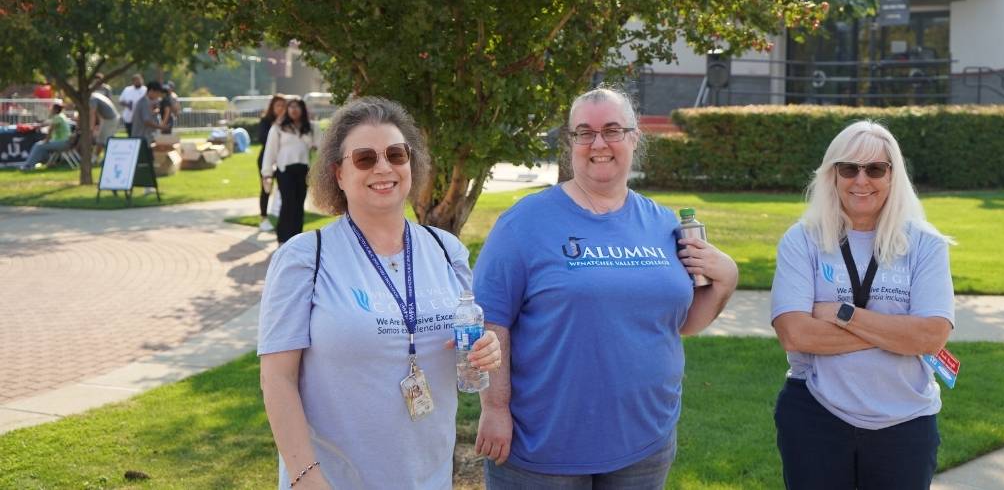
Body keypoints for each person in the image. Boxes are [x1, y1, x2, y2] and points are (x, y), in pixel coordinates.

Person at [472, 87, 739, 489]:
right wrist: (494, 407)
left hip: (645, 443)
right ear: (571, 143)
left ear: (634, 137)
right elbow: (491, 322)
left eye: (612, 130)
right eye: (584, 132)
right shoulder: (523, 223)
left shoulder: (663, 225)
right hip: (543, 447)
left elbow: (679, 324)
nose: (599, 143)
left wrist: (727, 280)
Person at [258, 96, 502, 490]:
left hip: (429, 477)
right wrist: (306, 477)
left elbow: (461, 348)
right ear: (338, 173)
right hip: (334, 481)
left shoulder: (446, 250)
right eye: (365, 158)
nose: (384, 167)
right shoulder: (305, 257)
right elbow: (277, 380)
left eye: (396, 154)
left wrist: (482, 349)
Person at [770, 120, 955, 490]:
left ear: (892, 176)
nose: (861, 180)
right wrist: (898, 333)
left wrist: (843, 315)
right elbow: (794, 334)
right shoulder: (802, 240)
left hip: (906, 422)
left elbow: (932, 336)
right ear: (832, 175)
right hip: (816, 414)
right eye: (849, 168)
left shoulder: (925, 244)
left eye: (875, 169)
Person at [261, 98, 316, 245]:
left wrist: (302, 132)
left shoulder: (310, 127)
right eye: (291, 107)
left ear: (302, 110)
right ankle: (283, 239)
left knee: (299, 205)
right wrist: (266, 173)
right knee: (288, 203)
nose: (294, 110)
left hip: (303, 170)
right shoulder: (278, 128)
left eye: (297, 107)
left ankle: (296, 239)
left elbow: (318, 146)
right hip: (285, 171)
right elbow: (270, 152)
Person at [257, 94, 287, 232]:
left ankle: (281, 217)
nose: (280, 108)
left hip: (284, 161)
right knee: (266, 188)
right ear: (272, 107)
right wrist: (275, 126)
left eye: (283, 105)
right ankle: (263, 216)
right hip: (266, 160)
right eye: (278, 105)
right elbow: (262, 139)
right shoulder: (266, 121)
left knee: (283, 190)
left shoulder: (289, 122)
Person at [20, 103, 72, 171]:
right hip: (65, 142)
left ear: (55, 110)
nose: (50, 110)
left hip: (62, 143)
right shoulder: (61, 116)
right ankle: (47, 164)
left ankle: (28, 166)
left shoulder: (57, 117)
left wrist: (46, 141)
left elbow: (51, 129)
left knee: (38, 145)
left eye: (51, 109)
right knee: (42, 146)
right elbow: (47, 123)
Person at [130, 81, 166, 145]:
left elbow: (148, 114)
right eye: (157, 93)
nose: (158, 96)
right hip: (142, 138)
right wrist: (160, 127)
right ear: (151, 91)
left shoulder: (146, 101)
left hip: (143, 138)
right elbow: (147, 121)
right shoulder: (144, 102)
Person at [89, 84, 120, 150]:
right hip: (106, 119)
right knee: (100, 140)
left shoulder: (92, 98)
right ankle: (95, 159)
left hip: (111, 119)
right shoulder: (95, 96)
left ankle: (108, 157)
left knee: (105, 141)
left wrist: (91, 129)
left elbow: (92, 113)